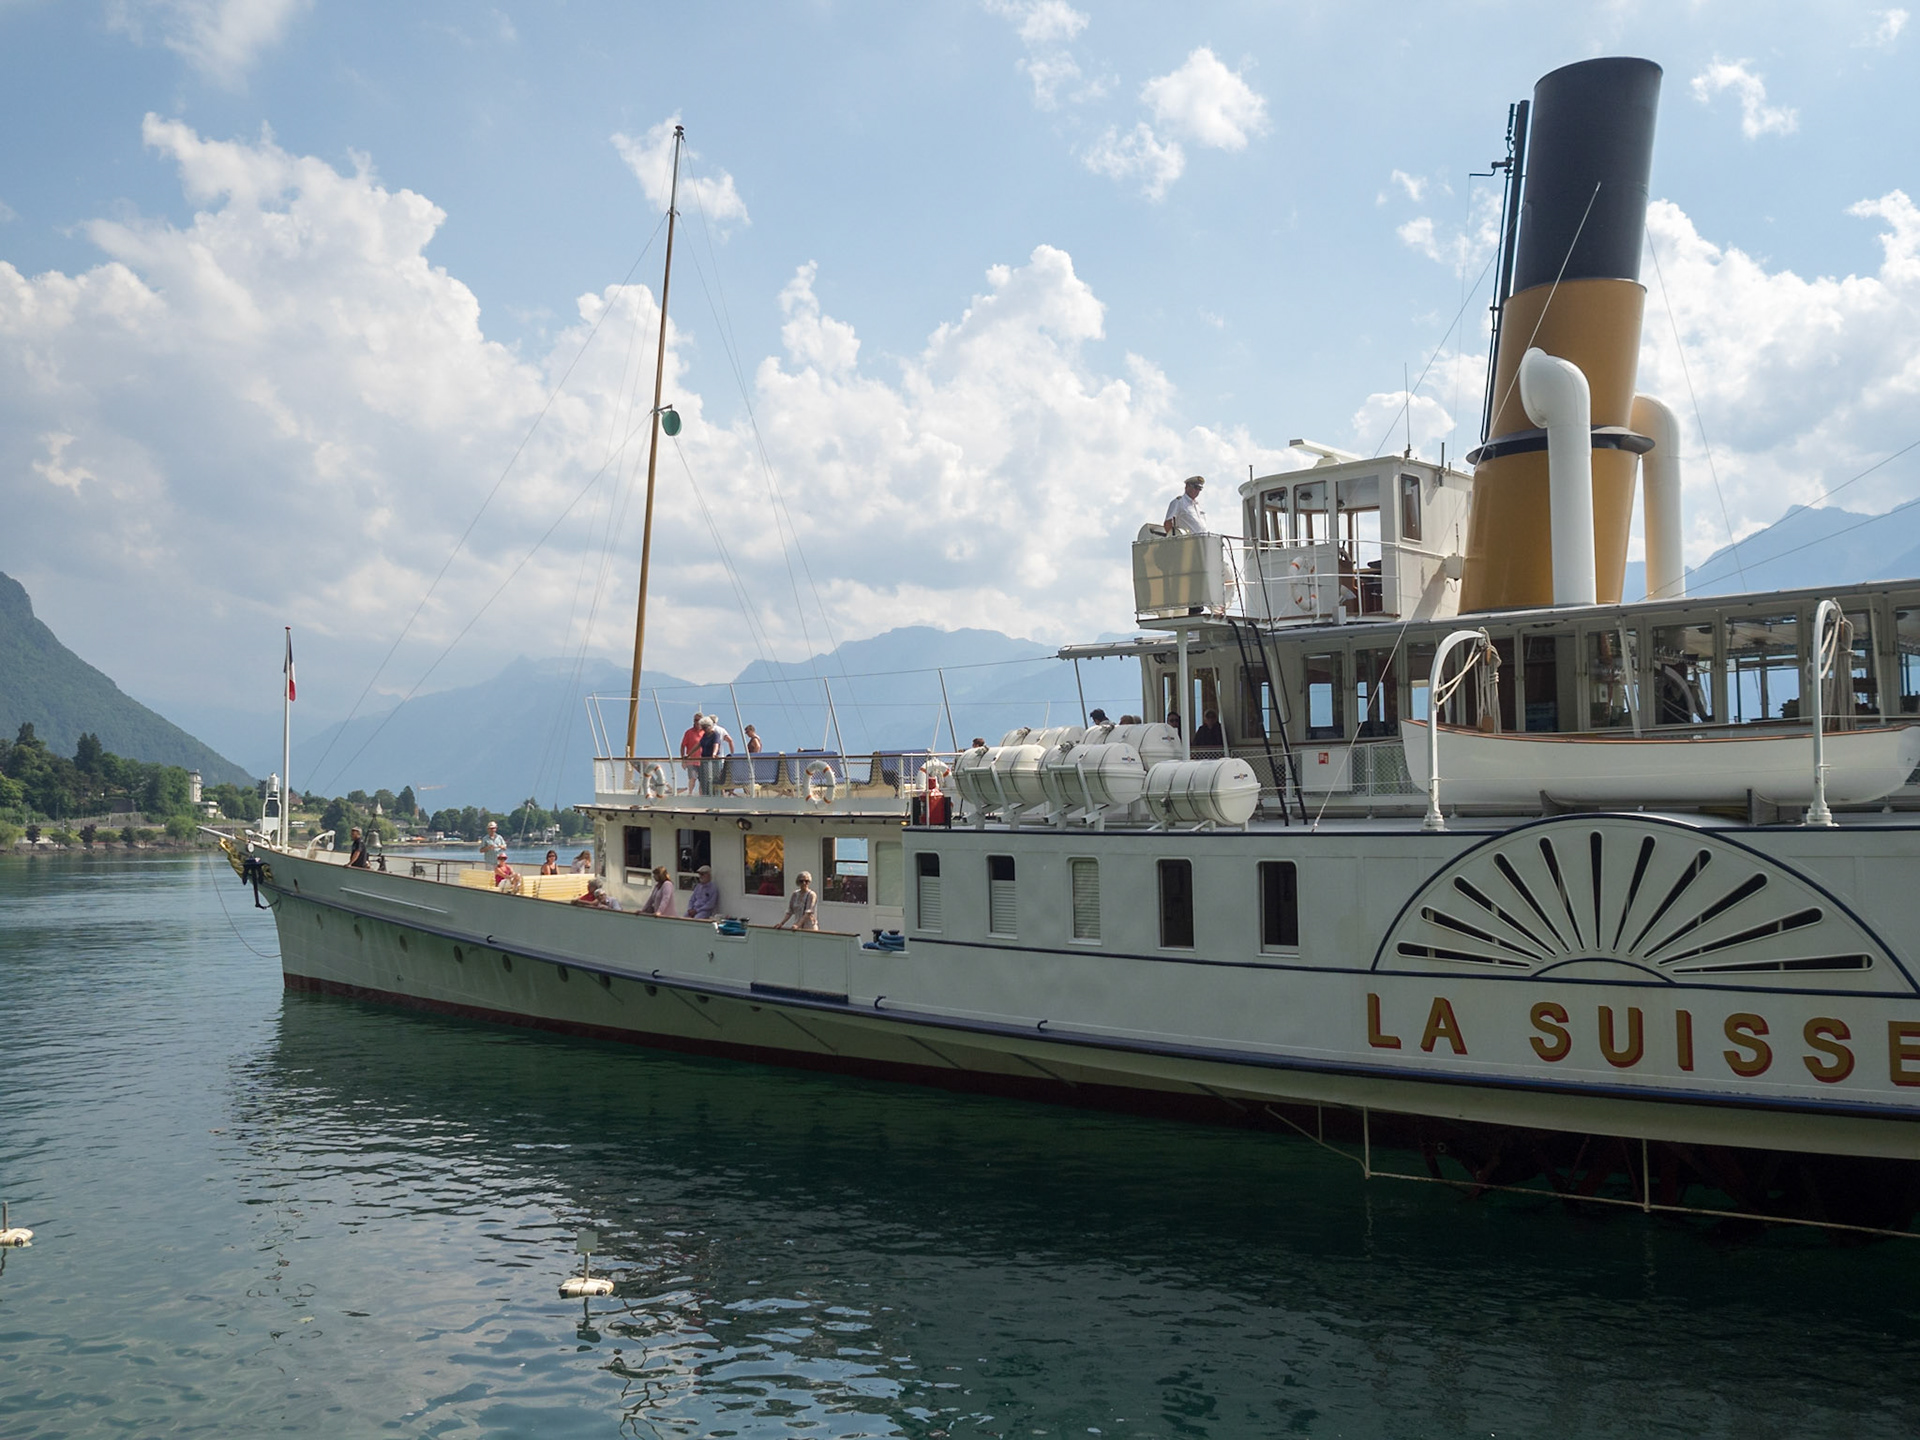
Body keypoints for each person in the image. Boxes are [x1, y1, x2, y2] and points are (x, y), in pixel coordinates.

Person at [680, 711, 706, 794]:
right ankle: (690, 794)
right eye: (695, 720)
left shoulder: (705, 732)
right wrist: (683, 759)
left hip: (703, 761)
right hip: (691, 761)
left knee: (702, 781)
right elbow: (682, 746)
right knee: (692, 779)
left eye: (699, 720)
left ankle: (701, 797)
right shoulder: (689, 732)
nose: (697, 722)